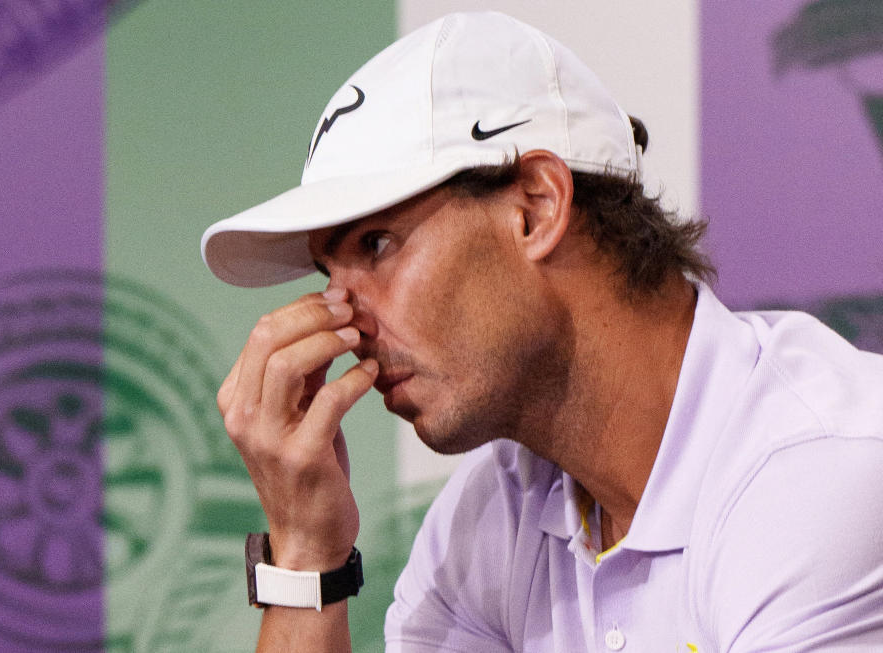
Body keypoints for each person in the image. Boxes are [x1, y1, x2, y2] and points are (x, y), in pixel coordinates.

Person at [201, 11, 883, 652]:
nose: (344, 320)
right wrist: (305, 556)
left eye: (377, 244)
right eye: (329, 271)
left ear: (535, 207)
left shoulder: (819, 471)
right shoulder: (491, 517)